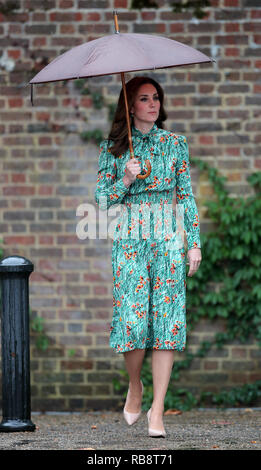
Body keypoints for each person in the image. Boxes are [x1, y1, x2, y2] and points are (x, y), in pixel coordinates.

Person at [95, 76, 202, 438]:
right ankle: (135, 385)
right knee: (133, 322)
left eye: (156, 97)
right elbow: (99, 204)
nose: (153, 104)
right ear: (130, 105)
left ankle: (158, 410)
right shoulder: (112, 148)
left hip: (169, 237)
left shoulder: (176, 144)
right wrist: (124, 179)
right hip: (129, 239)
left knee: (168, 322)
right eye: (144, 98)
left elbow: (185, 196)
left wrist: (194, 242)